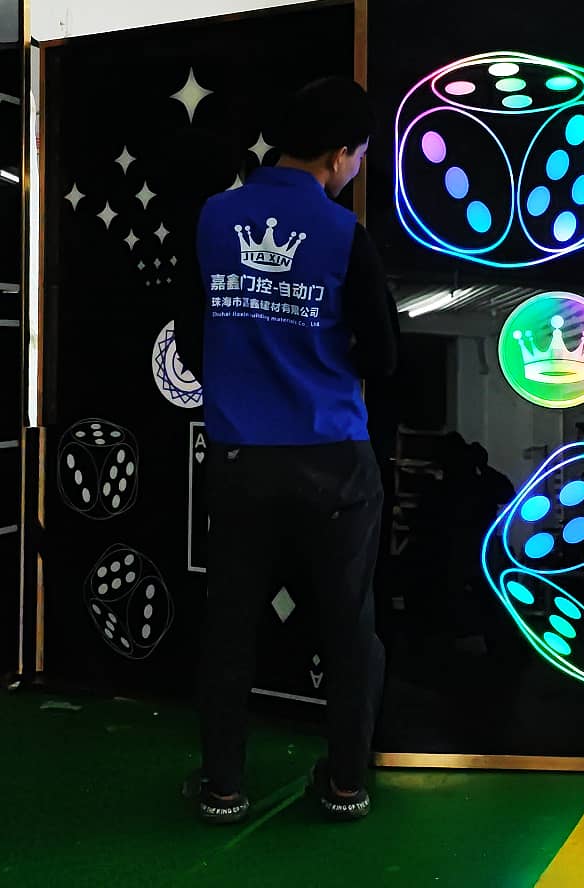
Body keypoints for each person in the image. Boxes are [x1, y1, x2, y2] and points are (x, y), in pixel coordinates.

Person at [174, 77, 398, 825]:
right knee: (347, 628)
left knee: (230, 627)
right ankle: (345, 786)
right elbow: (384, 356)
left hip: (241, 459)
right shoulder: (344, 235)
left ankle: (222, 789)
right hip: (334, 460)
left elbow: (190, 335)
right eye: (359, 156)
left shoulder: (213, 217)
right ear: (339, 156)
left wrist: (242, 383)